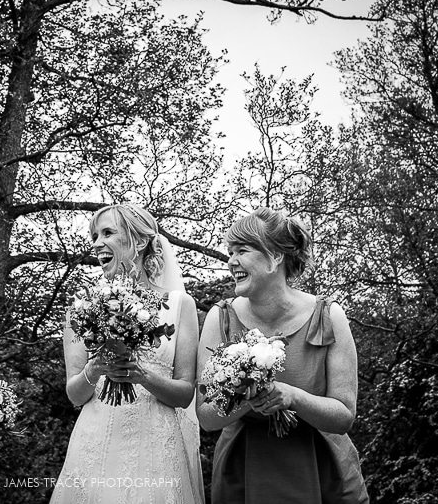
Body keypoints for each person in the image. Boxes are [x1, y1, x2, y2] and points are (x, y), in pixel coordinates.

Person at [196, 207, 369, 503]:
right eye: (230, 251)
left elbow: (344, 416)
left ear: (276, 257)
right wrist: (248, 392)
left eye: (242, 250)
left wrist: (291, 396)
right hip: (245, 474)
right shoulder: (219, 318)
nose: (231, 261)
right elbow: (207, 418)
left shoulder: (329, 316)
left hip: (320, 469)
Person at [50, 204, 204, 504]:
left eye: (107, 233)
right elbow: (74, 394)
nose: (97, 243)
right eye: (94, 235)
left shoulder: (180, 305)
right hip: (96, 441)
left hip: (157, 446)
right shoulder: (81, 308)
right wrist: (94, 369)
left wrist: (142, 375)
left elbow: (185, 394)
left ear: (141, 241)